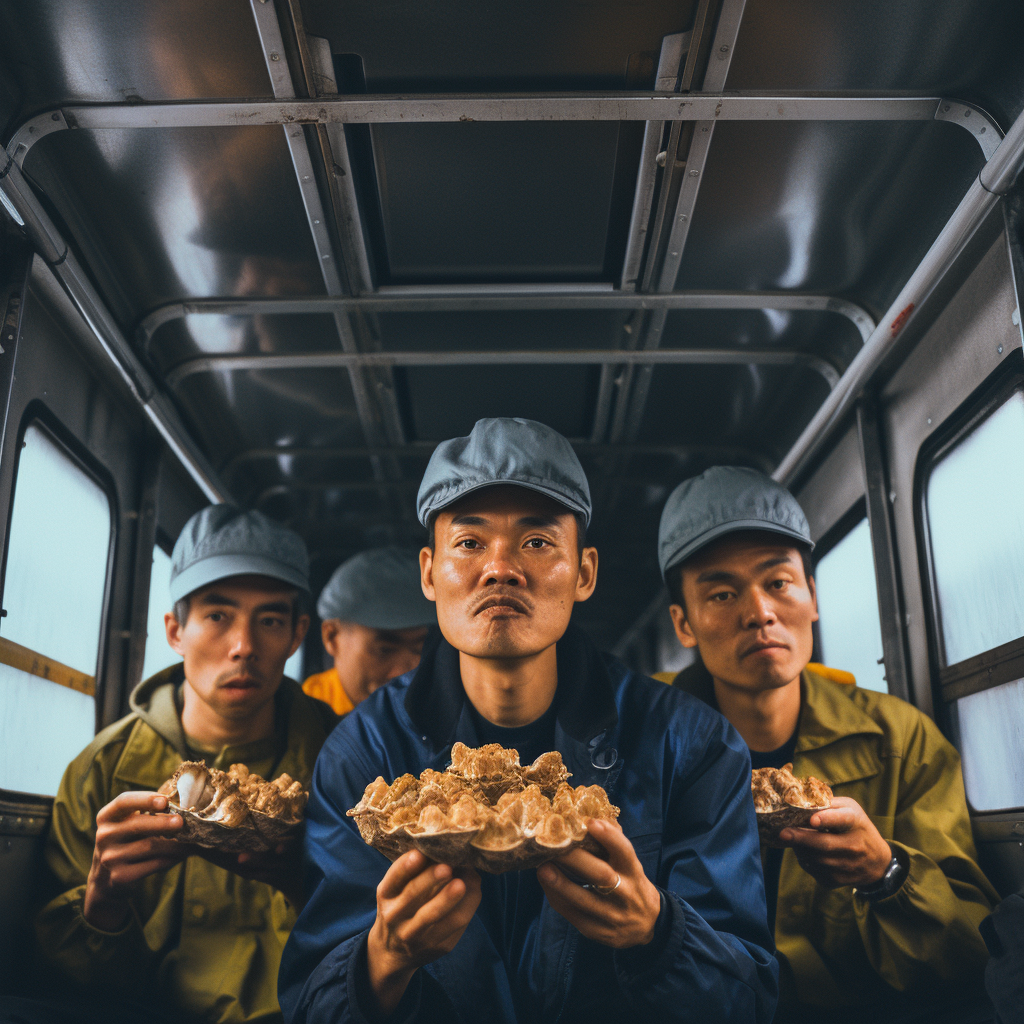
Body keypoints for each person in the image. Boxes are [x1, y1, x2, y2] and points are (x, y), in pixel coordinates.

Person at [279, 417, 778, 1024]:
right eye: (468, 543)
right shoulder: (363, 755)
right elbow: (310, 1003)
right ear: (429, 574)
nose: (501, 568)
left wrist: (659, 934)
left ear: (585, 572)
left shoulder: (691, 744)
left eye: (537, 542)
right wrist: (383, 961)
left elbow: (752, 1000)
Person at [655, 466, 999, 1022]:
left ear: (812, 597)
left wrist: (883, 873)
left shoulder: (899, 740)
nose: (759, 612)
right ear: (684, 624)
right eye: (721, 593)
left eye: (778, 583)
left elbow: (970, 948)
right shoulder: (639, 745)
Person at [34, 506, 338, 1023]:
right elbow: (62, 981)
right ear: (175, 630)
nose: (243, 647)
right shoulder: (103, 770)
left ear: (296, 634)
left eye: (269, 620)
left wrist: (307, 883)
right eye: (218, 616)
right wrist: (103, 904)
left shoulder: (346, 757)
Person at [303, 547, 436, 716]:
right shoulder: (303, 718)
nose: (405, 673)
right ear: (332, 637)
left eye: (422, 649)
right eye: (384, 650)